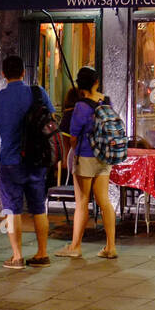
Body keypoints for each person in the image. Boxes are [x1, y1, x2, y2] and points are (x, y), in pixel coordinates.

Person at [0, 55, 55, 270]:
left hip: (10, 161)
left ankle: (17, 256)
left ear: (3, 74)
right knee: (39, 209)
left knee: (12, 210)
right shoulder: (38, 92)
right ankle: (42, 253)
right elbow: (50, 118)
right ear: (24, 72)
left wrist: (0, 129)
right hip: (37, 160)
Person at [55, 67, 118, 260]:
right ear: (97, 82)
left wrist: (75, 153)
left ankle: (75, 246)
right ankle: (110, 246)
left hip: (85, 157)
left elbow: (73, 137)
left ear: (79, 85)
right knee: (104, 201)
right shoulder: (106, 101)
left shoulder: (81, 106)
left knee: (82, 201)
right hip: (104, 156)